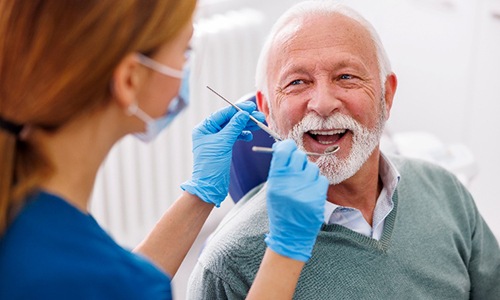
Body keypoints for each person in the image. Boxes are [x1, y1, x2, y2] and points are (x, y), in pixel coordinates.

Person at [0, 1, 330, 299]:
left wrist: (199, 195)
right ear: (129, 79)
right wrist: (288, 248)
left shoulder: (31, 216)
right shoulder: (106, 278)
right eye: (185, 52)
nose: (322, 103)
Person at [188, 1, 500, 299]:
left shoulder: (447, 193)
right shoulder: (227, 268)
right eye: (297, 82)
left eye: (346, 77)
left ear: (386, 96)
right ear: (266, 109)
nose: (323, 104)